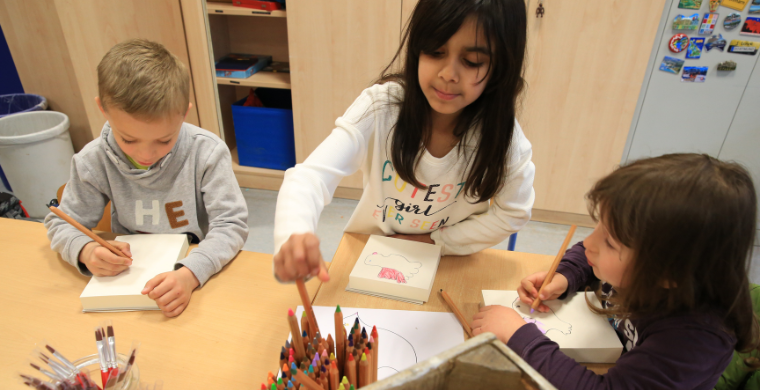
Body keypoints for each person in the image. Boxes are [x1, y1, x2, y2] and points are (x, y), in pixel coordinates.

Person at [273, 0, 534, 282]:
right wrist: (293, 232)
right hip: (372, 253)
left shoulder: (504, 137)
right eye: (435, 51)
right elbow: (309, 177)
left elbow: (513, 213)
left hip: (449, 261)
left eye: (472, 62)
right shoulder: (381, 108)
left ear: (501, 67)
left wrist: (437, 241)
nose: (448, 74)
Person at [472, 154, 759, 389]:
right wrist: (565, 276)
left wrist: (521, 335)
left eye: (610, 242)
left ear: (667, 273)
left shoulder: (692, 341)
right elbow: (586, 258)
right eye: (598, 227)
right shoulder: (647, 271)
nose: (589, 243)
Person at [44, 39, 249, 317]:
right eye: (128, 139)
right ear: (103, 110)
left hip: (195, 275)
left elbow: (231, 224)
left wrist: (190, 273)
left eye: (164, 140)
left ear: (183, 113)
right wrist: (86, 250)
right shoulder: (93, 160)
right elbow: (62, 222)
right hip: (127, 284)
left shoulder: (206, 152)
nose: (146, 154)